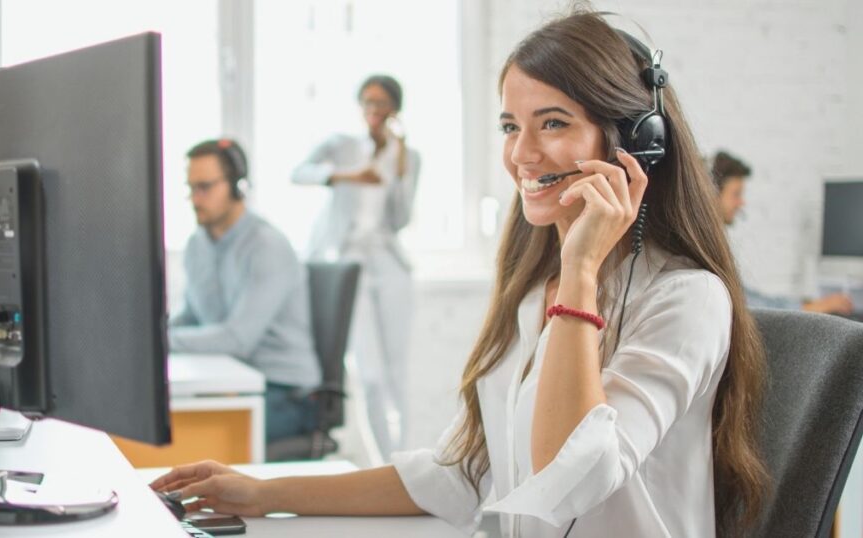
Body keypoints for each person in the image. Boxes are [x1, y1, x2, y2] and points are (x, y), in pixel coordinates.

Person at [152, 12, 769, 537]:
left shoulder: (686, 299)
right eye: (510, 126)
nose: (521, 154)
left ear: (636, 143)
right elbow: (460, 474)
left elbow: (569, 480)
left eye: (553, 122)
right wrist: (263, 494)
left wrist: (581, 268)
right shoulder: (533, 294)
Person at [291, 74, 421, 459]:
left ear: (395, 109)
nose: (373, 110)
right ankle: (383, 462)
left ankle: (402, 461)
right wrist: (346, 176)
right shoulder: (342, 145)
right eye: (367, 102)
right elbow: (298, 173)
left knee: (397, 373)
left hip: (388, 262)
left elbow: (400, 219)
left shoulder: (408, 156)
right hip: (348, 261)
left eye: (381, 103)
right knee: (370, 374)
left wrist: (400, 171)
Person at [169, 138, 321, 446]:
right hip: (232, 382)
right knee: (166, 418)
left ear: (238, 186)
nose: (195, 199)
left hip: (285, 393)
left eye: (205, 187)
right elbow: (192, 317)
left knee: (186, 436)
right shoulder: (197, 244)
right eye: (191, 188)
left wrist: (161, 342)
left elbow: (237, 340)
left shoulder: (266, 246)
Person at [712, 150, 854, 314]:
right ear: (712, 194)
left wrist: (805, 305)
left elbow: (747, 296)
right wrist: (814, 308)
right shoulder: (708, 247)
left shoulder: (716, 241)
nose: (741, 202)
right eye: (736, 194)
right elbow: (750, 306)